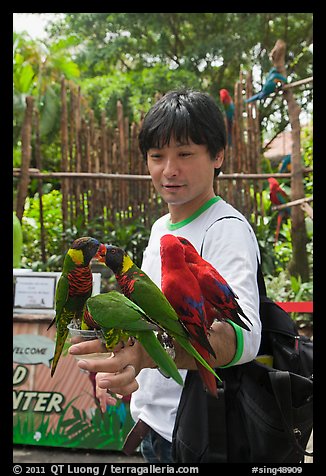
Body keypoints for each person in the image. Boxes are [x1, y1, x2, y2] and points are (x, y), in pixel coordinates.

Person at [69, 88, 262, 463]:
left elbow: (244, 336)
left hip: (197, 434)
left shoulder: (225, 229)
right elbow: (159, 318)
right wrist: (126, 351)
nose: (169, 170)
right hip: (157, 429)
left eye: (185, 154)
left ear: (218, 155)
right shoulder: (161, 228)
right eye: (157, 156)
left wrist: (152, 353)